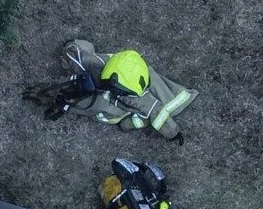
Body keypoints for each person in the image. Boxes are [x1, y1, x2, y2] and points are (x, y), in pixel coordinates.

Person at [23, 40, 198, 145]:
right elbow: (79, 54)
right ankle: (62, 99)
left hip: (125, 111)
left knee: (110, 113)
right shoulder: (111, 66)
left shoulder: (138, 97)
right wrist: (72, 48)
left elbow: (156, 112)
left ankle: (64, 103)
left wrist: (173, 133)